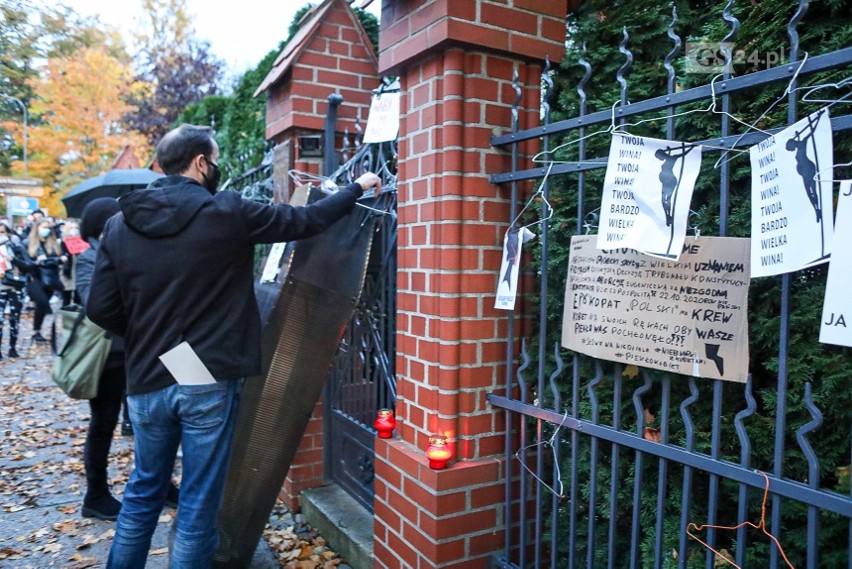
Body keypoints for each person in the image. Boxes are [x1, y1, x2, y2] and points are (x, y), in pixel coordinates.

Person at [87, 124, 380, 568]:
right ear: (202, 163)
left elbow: (101, 308)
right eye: (216, 158)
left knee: (142, 492)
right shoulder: (226, 211)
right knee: (198, 505)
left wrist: (152, 335)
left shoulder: (118, 224)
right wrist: (357, 186)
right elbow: (304, 221)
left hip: (147, 375)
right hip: (204, 376)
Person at [75, 199, 127, 520]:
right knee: (104, 423)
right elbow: (91, 301)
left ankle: (161, 484)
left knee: (150, 423)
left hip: (135, 349)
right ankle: (96, 494)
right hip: (106, 355)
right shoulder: (88, 256)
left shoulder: (121, 249)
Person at [21, 219, 66, 342]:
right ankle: (36, 331)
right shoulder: (27, 243)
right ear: (37, 228)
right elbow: (26, 264)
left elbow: (59, 258)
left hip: (49, 279)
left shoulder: (53, 243)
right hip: (34, 278)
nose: (46, 230)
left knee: (42, 305)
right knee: (42, 302)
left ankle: (36, 331)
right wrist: (38, 262)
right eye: (44, 227)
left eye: (48, 228)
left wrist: (53, 260)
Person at [0, 221, 24, 359]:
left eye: (2, 232)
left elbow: (28, 265)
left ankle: (12, 348)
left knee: (14, 319)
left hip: (15, 286)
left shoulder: (15, 246)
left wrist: (13, 259)